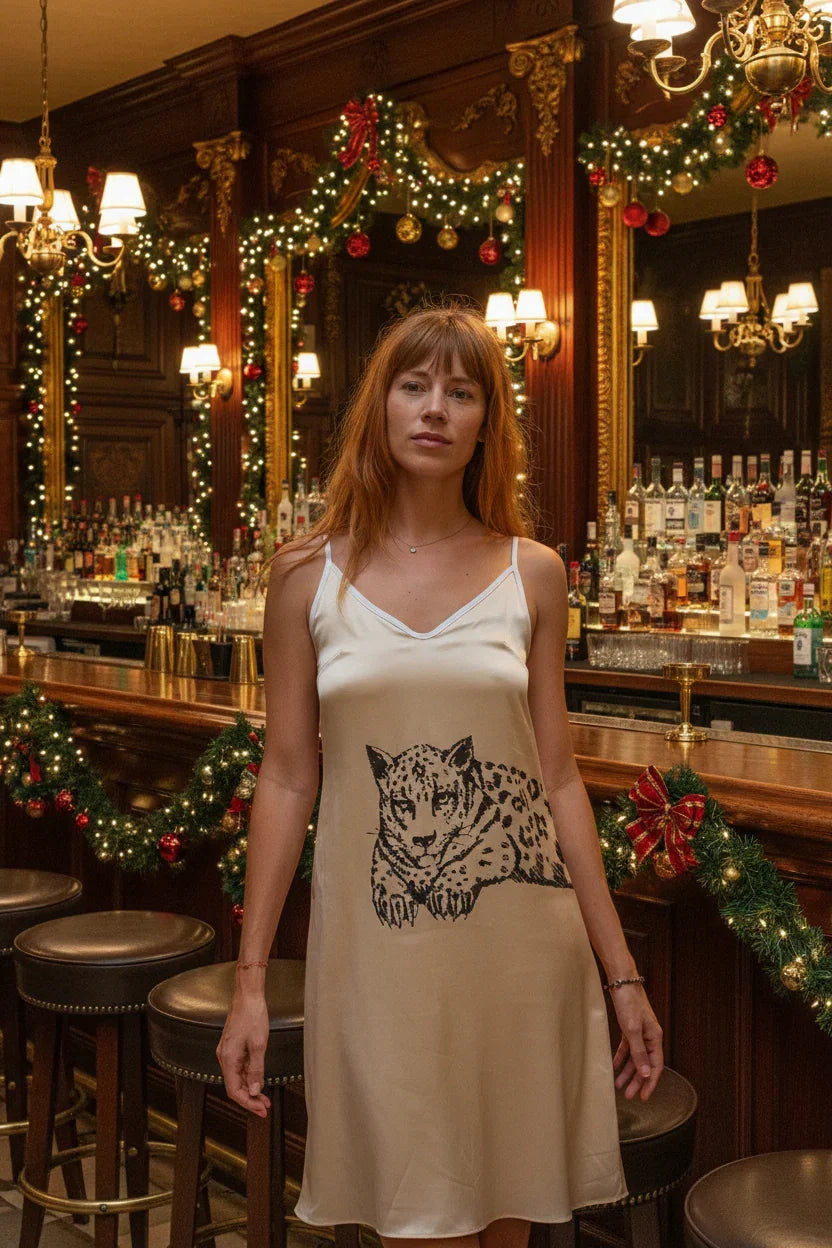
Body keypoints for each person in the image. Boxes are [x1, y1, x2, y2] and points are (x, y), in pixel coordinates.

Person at [217, 300, 664, 1248]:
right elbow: (289, 778)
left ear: (487, 426)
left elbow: (556, 780)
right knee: (409, 1216)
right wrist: (249, 981)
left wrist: (621, 976)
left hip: (517, 948)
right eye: (414, 386)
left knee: (506, 1214)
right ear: (379, 408)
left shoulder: (532, 573)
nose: (435, 409)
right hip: (375, 955)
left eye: (462, 393)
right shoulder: (307, 576)